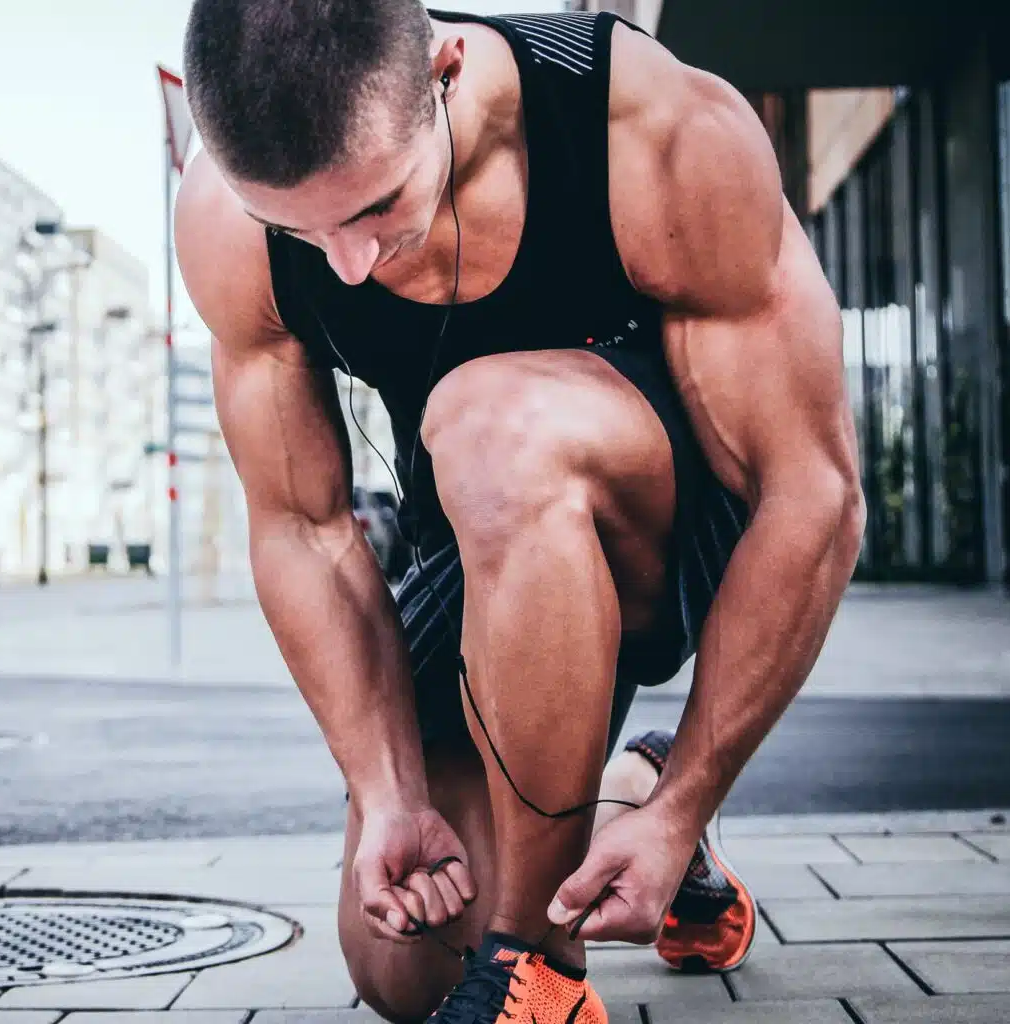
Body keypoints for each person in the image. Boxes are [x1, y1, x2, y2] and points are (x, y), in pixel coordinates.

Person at [174, 4, 864, 1022]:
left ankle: (539, 969)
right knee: (406, 966)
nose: (346, 264)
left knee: (491, 421)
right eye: (299, 230)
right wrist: (388, 794)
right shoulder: (226, 218)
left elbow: (814, 491)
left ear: (446, 72)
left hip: (679, 530)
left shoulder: (644, 125)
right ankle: (624, 790)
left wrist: (694, 803)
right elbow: (302, 526)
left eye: (372, 207)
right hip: (480, 547)